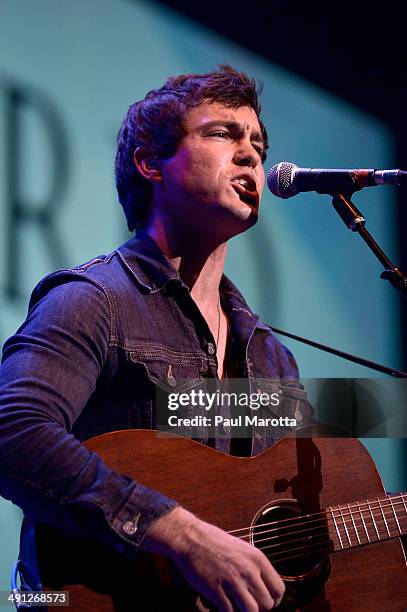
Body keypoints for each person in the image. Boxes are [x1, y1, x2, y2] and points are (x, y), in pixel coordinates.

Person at [0, 65, 312, 611]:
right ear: (150, 164)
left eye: (257, 142)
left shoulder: (272, 357)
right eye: (222, 134)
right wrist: (184, 537)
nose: (251, 155)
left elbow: (289, 515)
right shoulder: (93, 299)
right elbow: (12, 432)